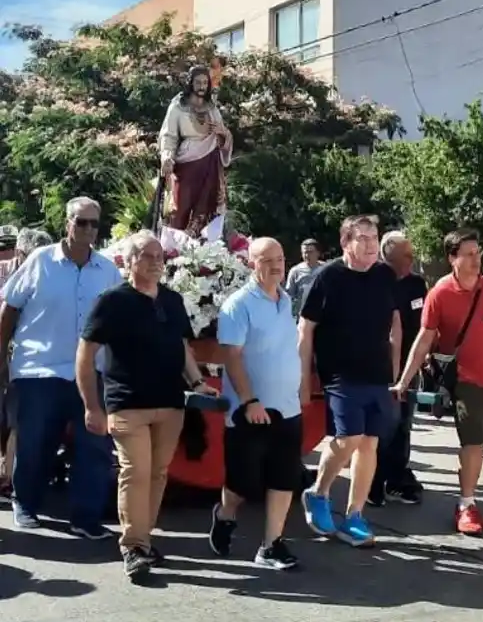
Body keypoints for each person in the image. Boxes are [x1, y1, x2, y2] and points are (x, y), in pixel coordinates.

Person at [77, 230, 216, 578]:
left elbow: (182, 348)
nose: (156, 262)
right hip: (127, 403)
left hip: (169, 403)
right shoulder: (112, 301)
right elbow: (86, 354)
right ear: (129, 262)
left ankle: (144, 539)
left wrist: (197, 382)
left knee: (157, 473)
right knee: (135, 472)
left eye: (160, 257)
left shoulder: (172, 300)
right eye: (147, 256)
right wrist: (92, 406)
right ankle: (134, 546)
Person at [392, 229, 483, 536]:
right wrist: (404, 380)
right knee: (473, 443)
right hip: (463, 379)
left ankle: (467, 498)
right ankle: (466, 504)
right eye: (468, 254)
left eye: (478, 253)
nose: (476, 260)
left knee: (480, 443)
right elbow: (424, 339)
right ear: (452, 258)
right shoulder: (440, 293)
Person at [0, 197, 123, 536]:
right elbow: (10, 308)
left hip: (91, 373)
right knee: (36, 441)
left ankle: (86, 518)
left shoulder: (108, 270)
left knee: (95, 445)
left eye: (93, 223)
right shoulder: (41, 261)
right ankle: (26, 503)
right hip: (40, 368)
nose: (87, 229)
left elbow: (118, 319)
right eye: (81, 222)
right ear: (67, 224)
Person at [298, 215, 402, 547]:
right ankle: (318, 493)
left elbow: (395, 323)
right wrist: (304, 379)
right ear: (346, 243)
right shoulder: (328, 277)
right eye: (363, 238)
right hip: (339, 374)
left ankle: (355, 515)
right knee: (349, 437)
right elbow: (306, 328)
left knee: (370, 443)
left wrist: (396, 371)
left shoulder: (385, 275)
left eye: (375, 237)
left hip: (377, 373)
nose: (372, 244)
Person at [209, 237, 303, 570]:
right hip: (249, 411)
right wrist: (250, 401)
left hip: (287, 408)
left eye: (280, 258)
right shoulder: (238, 305)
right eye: (267, 260)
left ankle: (271, 545)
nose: (276, 266)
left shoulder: (285, 300)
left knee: (284, 477)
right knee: (243, 483)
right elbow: (232, 357)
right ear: (251, 263)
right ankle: (225, 514)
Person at [369, 230, 427, 507]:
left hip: (409, 367)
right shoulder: (374, 281)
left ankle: (396, 480)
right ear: (388, 256)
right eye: (407, 255)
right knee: (382, 428)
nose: (412, 259)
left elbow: (425, 324)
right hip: (381, 368)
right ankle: (372, 482)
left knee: (403, 425)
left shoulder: (417, 284)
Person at [0, 228, 53, 501]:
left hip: (27, 359)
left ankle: (8, 477)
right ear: (20, 253)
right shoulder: (3, 272)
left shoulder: (48, 274)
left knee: (17, 417)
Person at [159, 65, 233, 237]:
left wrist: (223, 133)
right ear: (190, 83)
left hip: (210, 163)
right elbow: (169, 135)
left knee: (208, 205)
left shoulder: (212, 108)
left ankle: (205, 243)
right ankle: (175, 245)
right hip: (186, 164)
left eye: (205, 83)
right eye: (198, 82)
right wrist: (167, 156)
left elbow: (223, 135)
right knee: (180, 207)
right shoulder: (178, 107)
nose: (202, 86)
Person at [286, 238, 323, 318]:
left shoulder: (326, 269)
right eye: (304, 252)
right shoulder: (295, 271)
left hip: (323, 316)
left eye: (310, 252)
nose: (307, 255)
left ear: (318, 253)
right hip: (303, 316)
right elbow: (289, 296)